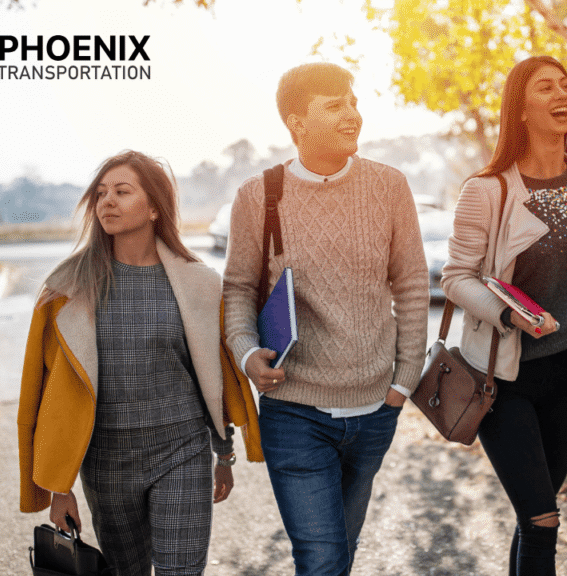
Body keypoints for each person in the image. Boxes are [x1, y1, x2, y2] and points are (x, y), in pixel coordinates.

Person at [222, 62, 429, 576]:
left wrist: (404, 382)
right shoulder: (259, 195)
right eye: (335, 105)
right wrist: (248, 355)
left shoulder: (389, 186)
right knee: (320, 558)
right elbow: (238, 291)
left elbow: (410, 286)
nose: (352, 115)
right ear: (296, 122)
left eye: (353, 102)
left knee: (340, 552)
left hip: (375, 407)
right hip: (294, 410)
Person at [18, 150, 263, 576]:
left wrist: (223, 454)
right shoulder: (64, 290)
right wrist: (59, 488)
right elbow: (44, 396)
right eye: (101, 193)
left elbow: (214, 377)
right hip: (106, 464)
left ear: (153, 208)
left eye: (122, 191)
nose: (107, 201)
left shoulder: (200, 284)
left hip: (181, 450)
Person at [440, 55, 567, 575]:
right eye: (545, 87)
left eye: (566, 85)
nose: (562, 94)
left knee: (534, 517)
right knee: (542, 520)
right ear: (519, 108)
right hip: (503, 380)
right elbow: (455, 277)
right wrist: (508, 314)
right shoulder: (487, 189)